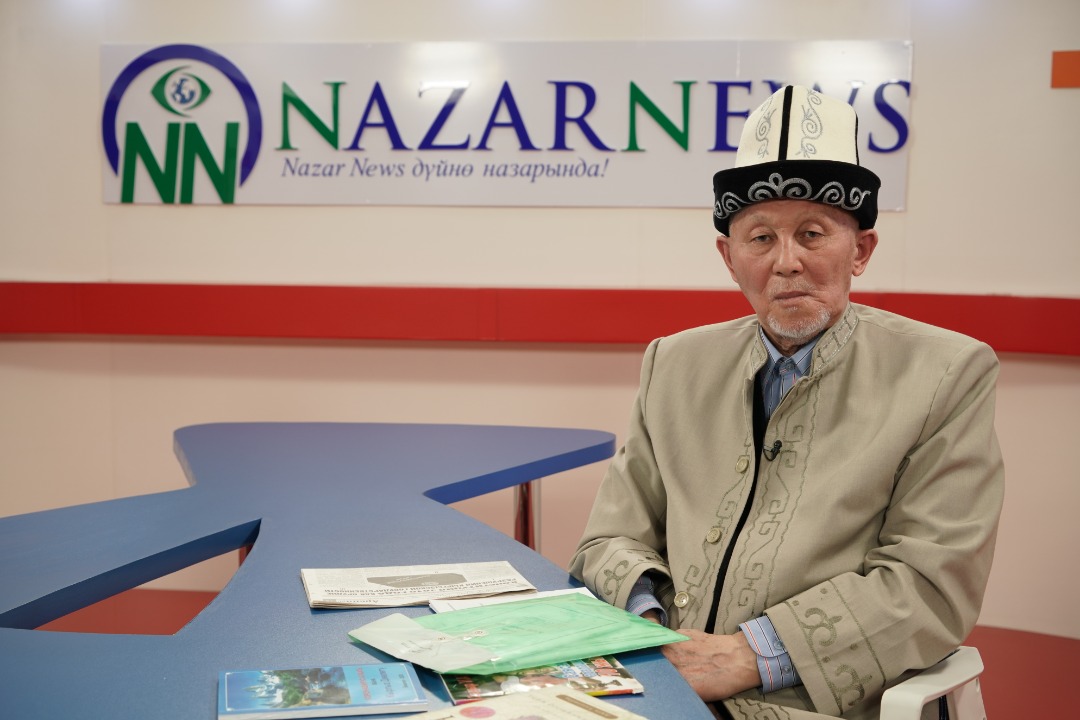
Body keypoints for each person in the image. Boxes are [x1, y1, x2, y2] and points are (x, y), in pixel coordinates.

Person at [568, 85, 1004, 720]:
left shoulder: (946, 373)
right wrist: (652, 628)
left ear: (861, 250)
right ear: (729, 258)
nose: (787, 262)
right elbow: (610, 537)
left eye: (812, 233)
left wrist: (749, 656)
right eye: (760, 238)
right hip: (659, 684)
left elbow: (931, 582)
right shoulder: (674, 364)